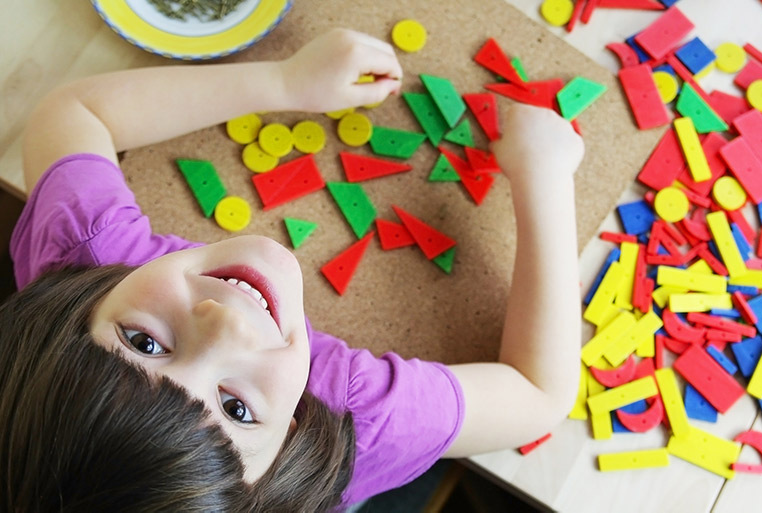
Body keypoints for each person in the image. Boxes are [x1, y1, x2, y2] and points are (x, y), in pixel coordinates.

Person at [0, 28, 584, 512]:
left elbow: (74, 111)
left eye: (144, 343)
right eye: (236, 409)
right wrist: (546, 177)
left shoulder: (82, 253)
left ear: (65, 314)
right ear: (290, 444)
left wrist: (285, 82)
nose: (227, 324)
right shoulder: (359, 421)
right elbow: (540, 393)